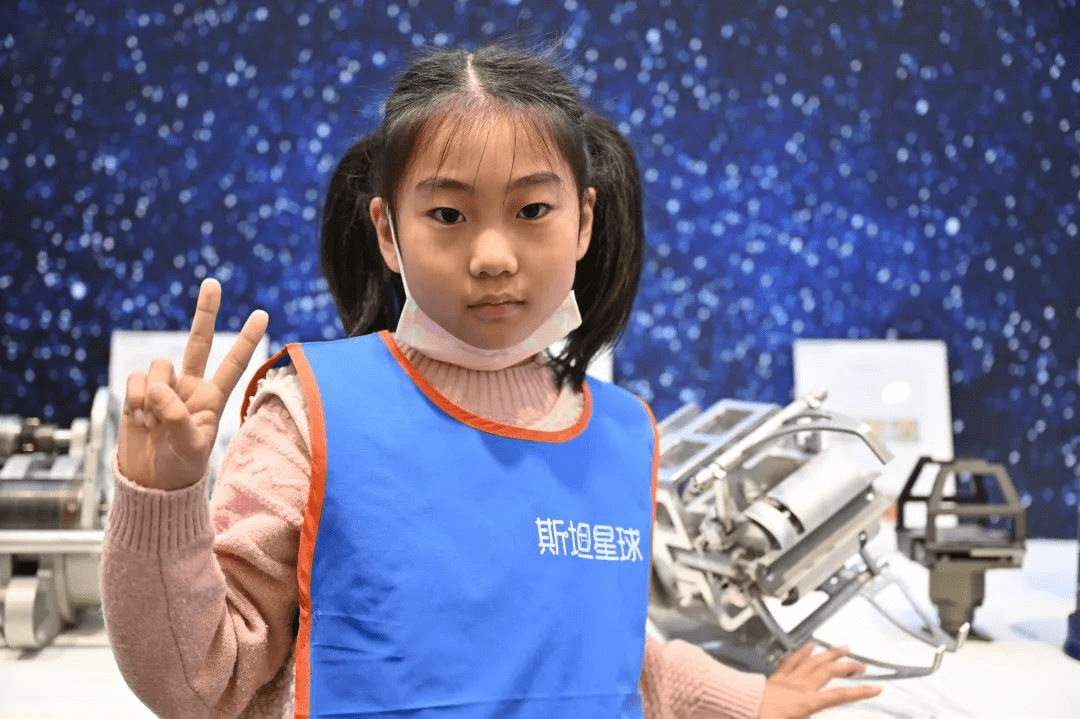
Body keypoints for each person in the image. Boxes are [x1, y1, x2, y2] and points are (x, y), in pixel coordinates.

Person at [102, 43, 882, 719]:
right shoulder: (313, 412)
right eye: (448, 215)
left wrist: (747, 697)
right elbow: (200, 682)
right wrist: (160, 495)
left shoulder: (622, 432)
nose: (493, 257)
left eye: (532, 209)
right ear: (388, 231)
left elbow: (604, 643)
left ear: (583, 220)